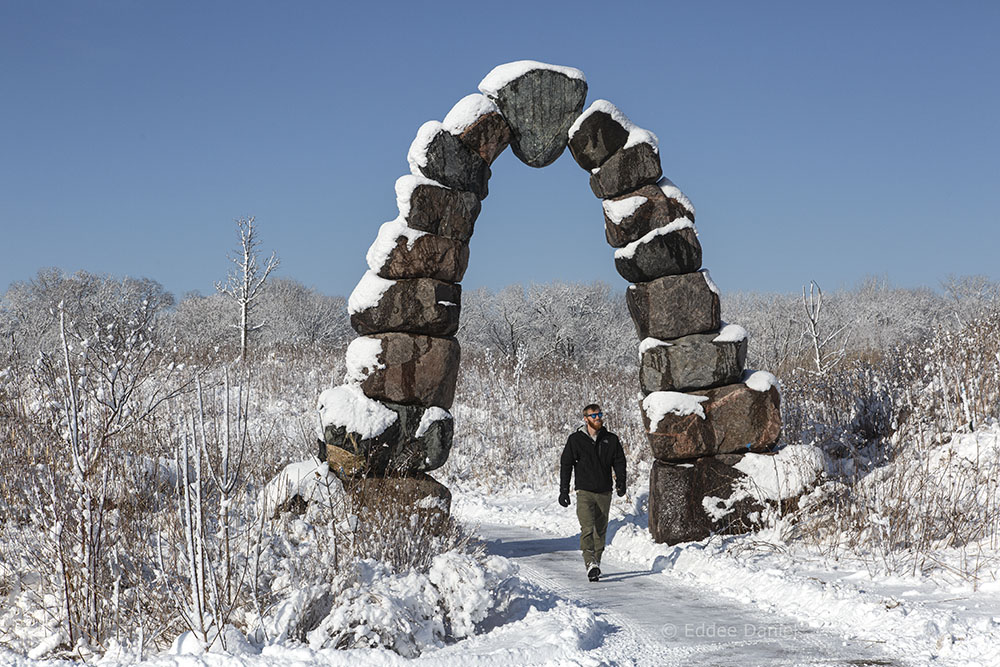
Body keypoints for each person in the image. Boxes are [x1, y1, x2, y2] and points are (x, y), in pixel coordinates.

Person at [559, 403, 626, 582]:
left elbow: (619, 461)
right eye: (594, 416)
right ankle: (590, 563)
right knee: (587, 528)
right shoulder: (575, 439)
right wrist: (564, 491)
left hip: (604, 491)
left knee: (600, 530)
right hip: (584, 491)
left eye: (599, 415)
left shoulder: (610, 439)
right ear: (585, 418)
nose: (598, 418)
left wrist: (621, 482)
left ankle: (596, 562)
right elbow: (566, 464)